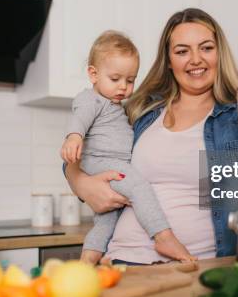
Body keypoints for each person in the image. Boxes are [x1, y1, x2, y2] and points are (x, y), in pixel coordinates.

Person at [65, 9, 238, 265]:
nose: (196, 59)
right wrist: (80, 183)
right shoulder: (140, 111)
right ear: (169, 61)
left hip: (197, 267)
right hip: (122, 261)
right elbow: (87, 153)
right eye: (182, 51)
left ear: (219, 53)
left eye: (206, 48)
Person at [60, 31, 197, 265]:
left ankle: (87, 261)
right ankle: (162, 235)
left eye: (130, 80)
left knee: (106, 221)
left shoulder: (117, 105)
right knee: (139, 186)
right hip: (102, 161)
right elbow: (80, 118)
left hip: (110, 163)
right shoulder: (90, 99)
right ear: (93, 74)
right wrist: (73, 137)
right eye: (115, 79)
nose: (123, 87)